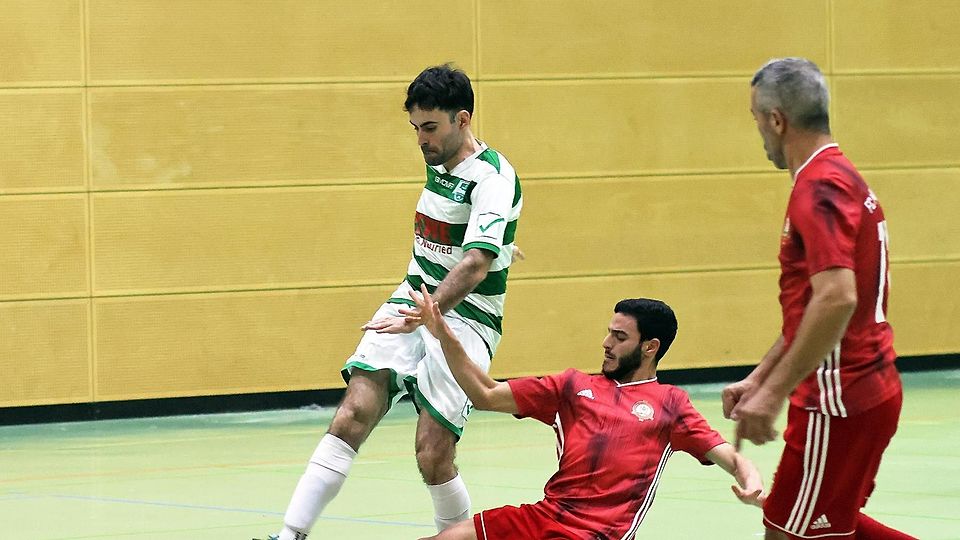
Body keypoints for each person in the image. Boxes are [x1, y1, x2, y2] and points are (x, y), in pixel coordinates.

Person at [260, 64, 523, 540]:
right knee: (352, 412)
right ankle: (288, 536)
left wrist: (436, 306)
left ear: (463, 120)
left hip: (467, 317)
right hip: (415, 295)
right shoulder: (439, 159)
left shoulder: (493, 178)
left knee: (432, 451)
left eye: (430, 128)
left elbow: (474, 265)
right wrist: (499, 240)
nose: (421, 140)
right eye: (414, 128)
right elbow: (469, 234)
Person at [722, 57, 916, 540]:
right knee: (823, 524)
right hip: (861, 391)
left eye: (756, 120)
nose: (759, 134)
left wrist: (772, 394)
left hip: (840, 401)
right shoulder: (841, 176)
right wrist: (761, 376)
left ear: (777, 120)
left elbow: (836, 299)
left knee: (786, 532)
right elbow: (811, 306)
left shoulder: (818, 189)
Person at [403, 284, 764, 540]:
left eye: (620, 338)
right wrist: (442, 334)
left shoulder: (671, 404)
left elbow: (731, 458)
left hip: (599, 534)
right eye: (609, 333)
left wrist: (752, 483)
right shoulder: (572, 386)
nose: (606, 344)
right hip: (543, 518)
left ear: (650, 347)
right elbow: (486, 393)